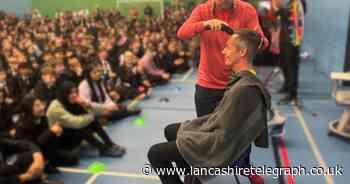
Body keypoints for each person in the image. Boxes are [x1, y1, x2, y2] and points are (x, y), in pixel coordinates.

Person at [148, 29, 270, 184]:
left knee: (155, 153)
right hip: (227, 139)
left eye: (228, 47)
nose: (224, 51)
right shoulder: (246, 81)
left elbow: (223, 135)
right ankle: (193, 179)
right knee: (171, 130)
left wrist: (195, 133)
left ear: (242, 52)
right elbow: (223, 121)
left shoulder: (243, 89)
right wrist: (197, 128)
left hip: (223, 148)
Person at [177, 0, 268, 182]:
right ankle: (196, 172)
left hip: (237, 86)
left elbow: (262, 43)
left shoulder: (247, 10)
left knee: (242, 136)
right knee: (204, 135)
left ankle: (245, 167)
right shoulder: (202, 10)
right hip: (207, 85)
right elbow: (182, 33)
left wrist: (250, 39)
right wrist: (205, 24)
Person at [47, 81, 126, 158]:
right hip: (59, 139)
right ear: (64, 93)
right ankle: (103, 149)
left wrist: (85, 105)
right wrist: (92, 115)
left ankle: (109, 144)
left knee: (92, 122)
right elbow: (76, 122)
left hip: (68, 131)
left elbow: (88, 113)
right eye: (71, 93)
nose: (74, 95)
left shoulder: (69, 101)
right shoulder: (56, 107)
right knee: (81, 126)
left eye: (75, 92)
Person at [271, 0, 305, 104]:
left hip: (292, 40)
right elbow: (276, 15)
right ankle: (286, 86)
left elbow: (295, 19)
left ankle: (292, 94)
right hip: (284, 38)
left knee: (291, 66)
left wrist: (280, 7)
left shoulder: (297, 3)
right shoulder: (287, 3)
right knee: (284, 64)